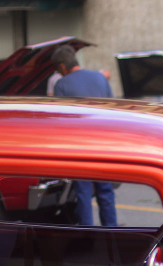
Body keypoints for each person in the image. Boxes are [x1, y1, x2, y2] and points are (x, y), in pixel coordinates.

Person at [50, 45, 117, 227]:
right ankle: (111, 231)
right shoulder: (100, 78)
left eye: (57, 68)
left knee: (83, 194)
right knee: (106, 192)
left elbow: (59, 121)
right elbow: (113, 111)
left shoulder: (62, 85)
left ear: (62, 67)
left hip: (80, 147)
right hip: (103, 144)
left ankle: (88, 234)